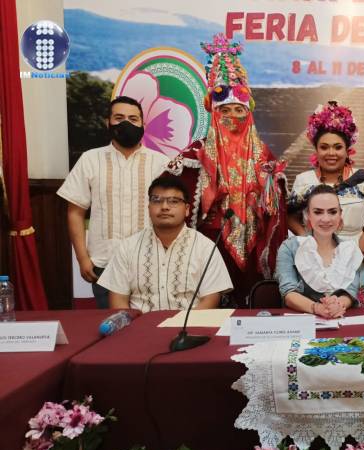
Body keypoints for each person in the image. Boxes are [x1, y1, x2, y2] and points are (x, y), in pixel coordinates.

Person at [164, 33, 287, 306]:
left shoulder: (264, 156)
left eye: (239, 110)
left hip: (254, 251)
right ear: (213, 114)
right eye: (225, 110)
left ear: (249, 114)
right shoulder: (194, 155)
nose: (232, 116)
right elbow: (167, 198)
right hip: (209, 246)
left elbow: (277, 213)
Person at [57, 96, 168, 308]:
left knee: (152, 324)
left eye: (133, 119)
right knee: (113, 325)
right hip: (104, 264)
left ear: (143, 125)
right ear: (108, 122)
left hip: (152, 263)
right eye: (119, 118)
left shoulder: (162, 163)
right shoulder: (90, 159)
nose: (126, 123)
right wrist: (82, 258)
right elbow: (75, 212)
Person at [97, 176, 233, 312]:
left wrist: (184, 323)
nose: (164, 207)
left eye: (173, 201)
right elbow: (118, 299)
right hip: (139, 324)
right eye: (157, 200)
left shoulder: (205, 247)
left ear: (187, 209)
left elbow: (210, 299)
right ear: (149, 207)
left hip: (189, 324)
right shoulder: (128, 247)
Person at [288, 101, 364, 254]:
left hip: (355, 251)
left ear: (347, 151)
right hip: (314, 251)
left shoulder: (362, 180)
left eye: (338, 147)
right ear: (316, 150)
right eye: (324, 147)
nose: (331, 153)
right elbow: (290, 216)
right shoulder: (303, 181)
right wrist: (303, 236)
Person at [276, 185, 364, 318]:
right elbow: (288, 293)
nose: (326, 219)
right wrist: (317, 308)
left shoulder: (350, 250)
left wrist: (337, 305)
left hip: (341, 318)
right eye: (318, 212)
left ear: (340, 214)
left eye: (332, 212)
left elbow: (350, 292)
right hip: (301, 322)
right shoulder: (289, 247)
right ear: (308, 215)